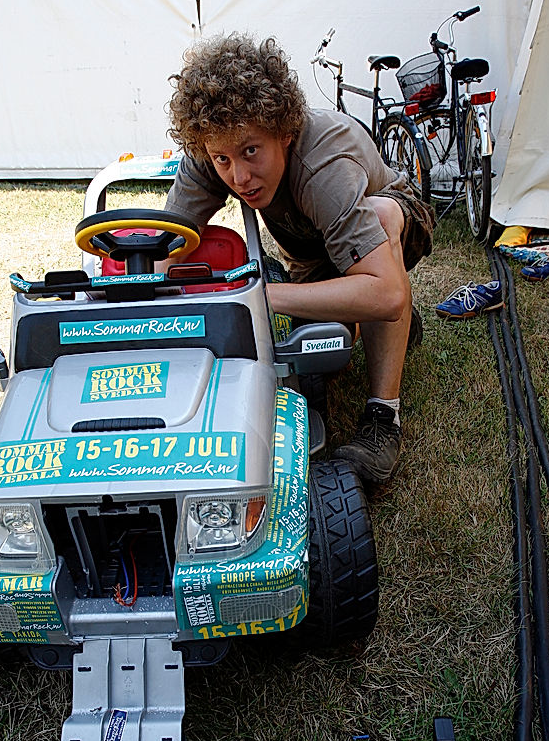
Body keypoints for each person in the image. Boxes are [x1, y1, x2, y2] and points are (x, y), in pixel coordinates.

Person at [164, 33, 434, 483]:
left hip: (395, 222)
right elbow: (167, 243)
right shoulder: (213, 152)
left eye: (251, 151)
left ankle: (383, 420)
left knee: (382, 233)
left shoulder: (322, 164)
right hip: (314, 253)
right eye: (223, 160)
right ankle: (394, 327)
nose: (239, 176)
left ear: (284, 133)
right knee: (328, 356)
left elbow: (384, 293)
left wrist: (262, 296)